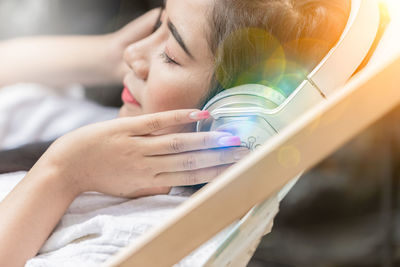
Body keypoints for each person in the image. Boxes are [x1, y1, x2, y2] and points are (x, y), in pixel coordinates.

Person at [0, 0, 350, 266]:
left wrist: (61, 174)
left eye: (169, 54)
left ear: (235, 115)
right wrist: (104, 56)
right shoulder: (103, 140)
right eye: (158, 23)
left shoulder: (138, 239)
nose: (132, 53)